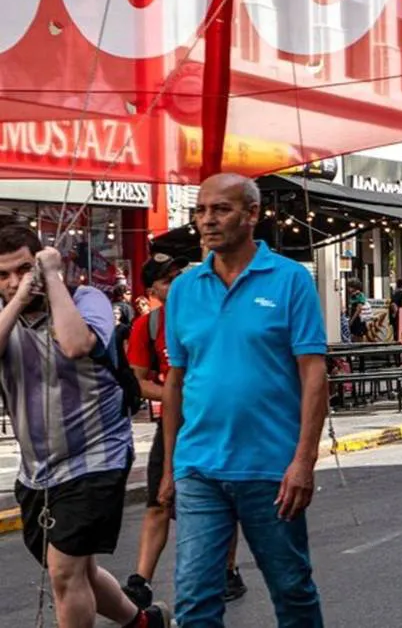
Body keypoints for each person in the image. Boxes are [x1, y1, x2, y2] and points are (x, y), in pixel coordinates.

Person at [161, 174, 328, 627]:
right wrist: (169, 468)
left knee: (292, 589)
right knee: (195, 598)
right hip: (200, 469)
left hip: (271, 469)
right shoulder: (184, 289)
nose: (207, 221)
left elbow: (314, 374)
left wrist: (304, 462)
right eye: (200, 211)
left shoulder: (290, 280)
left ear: (251, 214)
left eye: (220, 209)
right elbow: (176, 381)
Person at [0, 223, 170, 628]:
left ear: (42, 262)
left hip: (96, 456)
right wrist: (20, 296)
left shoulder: (87, 298)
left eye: (24, 270)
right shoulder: (5, 316)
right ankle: (143, 623)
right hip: (37, 470)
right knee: (80, 570)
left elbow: (76, 344)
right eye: (2, 275)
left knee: (64, 572)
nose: (13, 282)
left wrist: (52, 279)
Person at [122, 253, 247, 611]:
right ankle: (141, 581)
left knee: (225, 495)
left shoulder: (208, 313)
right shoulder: (147, 326)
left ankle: (227, 571)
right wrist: (177, 397)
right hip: (175, 423)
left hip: (218, 420)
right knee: (158, 500)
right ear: (153, 290)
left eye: (178, 275)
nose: (175, 284)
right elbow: (138, 381)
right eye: (166, 280)